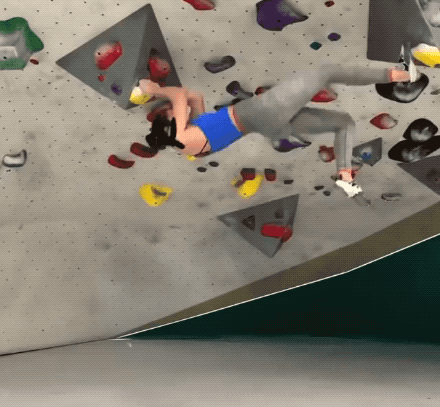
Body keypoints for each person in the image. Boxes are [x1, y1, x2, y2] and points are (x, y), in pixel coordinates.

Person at [139, 62, 411, 199]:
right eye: (170, 115)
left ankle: (345, 173)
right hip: (263, 111)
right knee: (325, 71)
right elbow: (179, 94)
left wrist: (180, 104)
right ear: (168, 125)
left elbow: (194, 97)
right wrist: (155, 90)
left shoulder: (193, 141)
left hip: (269, 126)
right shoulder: (181, 135)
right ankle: (396, 75)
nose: (176, 113)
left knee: (344, 122)